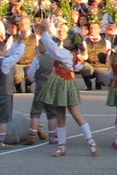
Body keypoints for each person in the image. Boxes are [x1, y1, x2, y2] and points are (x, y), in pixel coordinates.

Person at [35, 23, 100, 158]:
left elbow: (51, 47)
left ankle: (90, 143)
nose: (65, 39)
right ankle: (65, 146)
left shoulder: (65, 54)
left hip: (62, 84)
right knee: (62, 116)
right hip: (64, 84)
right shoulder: (70, 54)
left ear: (71, 44)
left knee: (73, 115)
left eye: (68, 39)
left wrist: (46, 31)